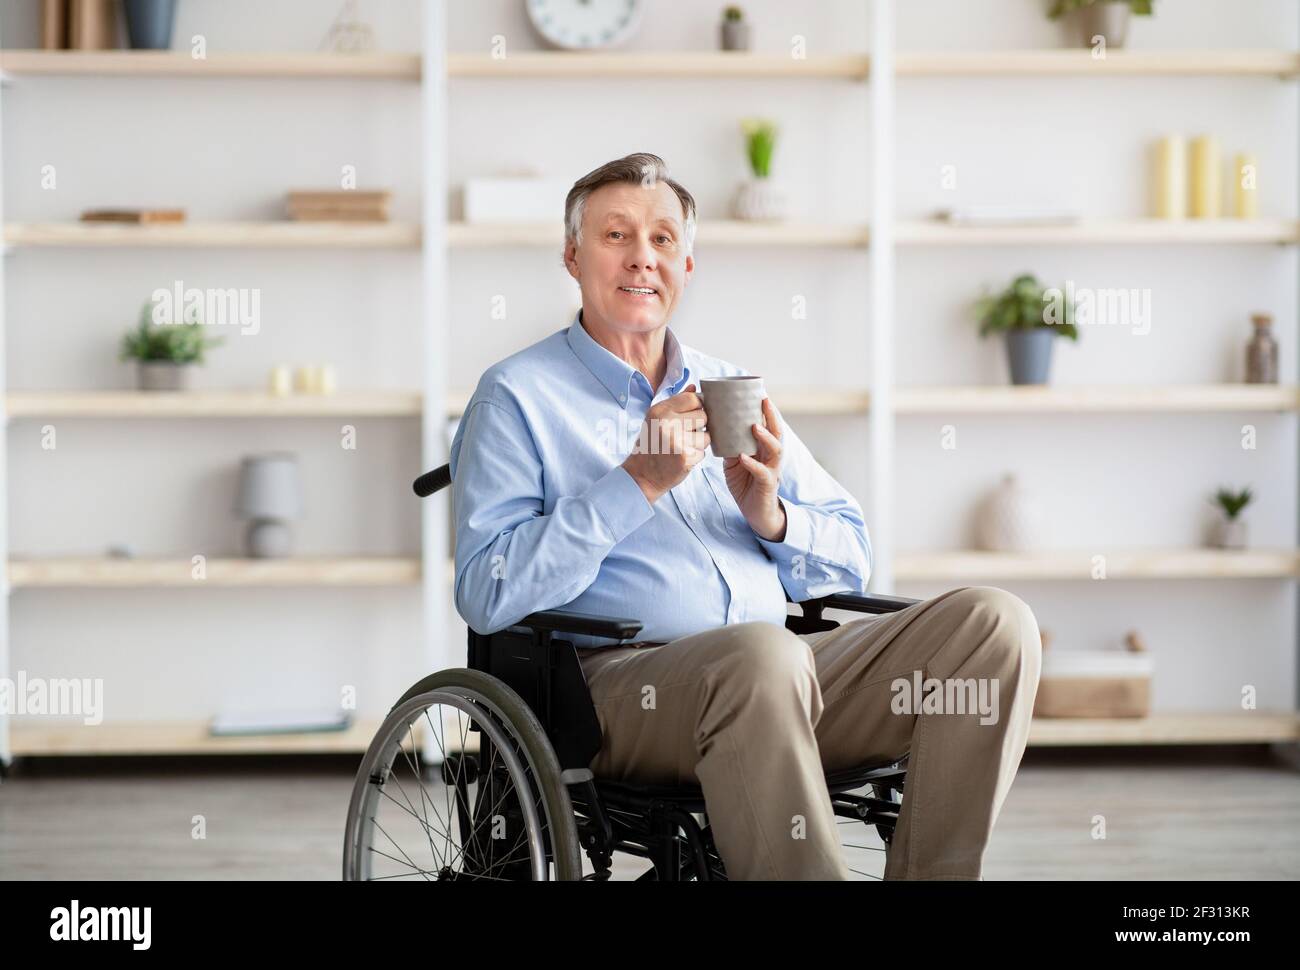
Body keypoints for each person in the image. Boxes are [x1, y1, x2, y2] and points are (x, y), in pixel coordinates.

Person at [449, 152, 1042, 880]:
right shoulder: (516, 396)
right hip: (619, 694)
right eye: (616, 236)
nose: (643, 257)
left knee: (994, 627)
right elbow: (486, 589)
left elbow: (853, 552)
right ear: (573, 256)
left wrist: (773, 518)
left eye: (663, 239)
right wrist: (636, 482)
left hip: (785, 674)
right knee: (761, 657)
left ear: (687, 267)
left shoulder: (729, 386)